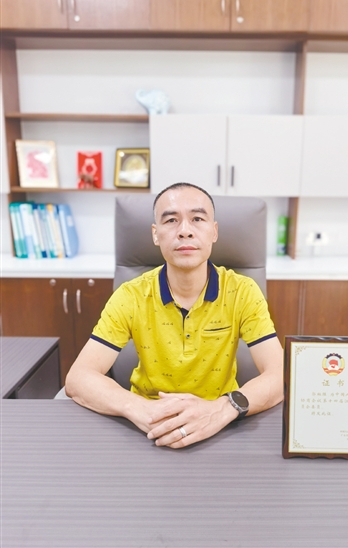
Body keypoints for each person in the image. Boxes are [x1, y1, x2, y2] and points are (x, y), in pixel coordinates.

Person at [65, 182, 283, 449]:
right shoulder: (131, 295)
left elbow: (280, 374)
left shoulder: (243, 292)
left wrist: (222, 409)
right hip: (146, 427)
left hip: (219, 424)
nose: (185, 231)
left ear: (214, 231)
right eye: (171, 220)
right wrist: (140, 409)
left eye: (198, 219)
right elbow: (79, 377)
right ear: (155, 234)